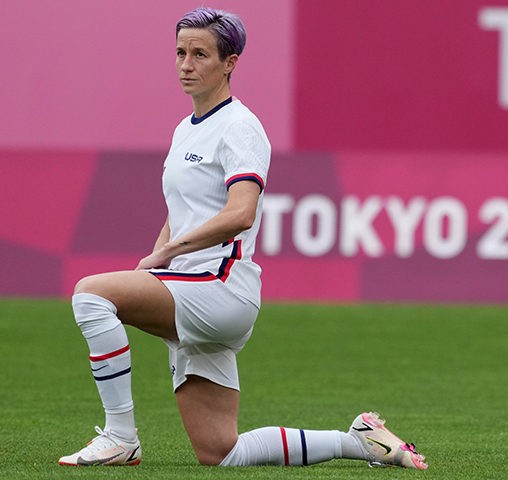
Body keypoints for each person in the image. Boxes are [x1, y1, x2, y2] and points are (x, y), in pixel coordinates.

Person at [58, 7, 427, 470]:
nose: (186, 64)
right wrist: (153, 259)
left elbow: (241, 213)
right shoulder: (185, 128)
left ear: (230, 62)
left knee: (90, 295)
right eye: (180, 53)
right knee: (220, 451)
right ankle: (358, 441)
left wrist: (170, 252)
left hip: (219, 289)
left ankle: (120, 436)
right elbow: (183, 212)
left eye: (200, 54)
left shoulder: (240, 127)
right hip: (190, 285)